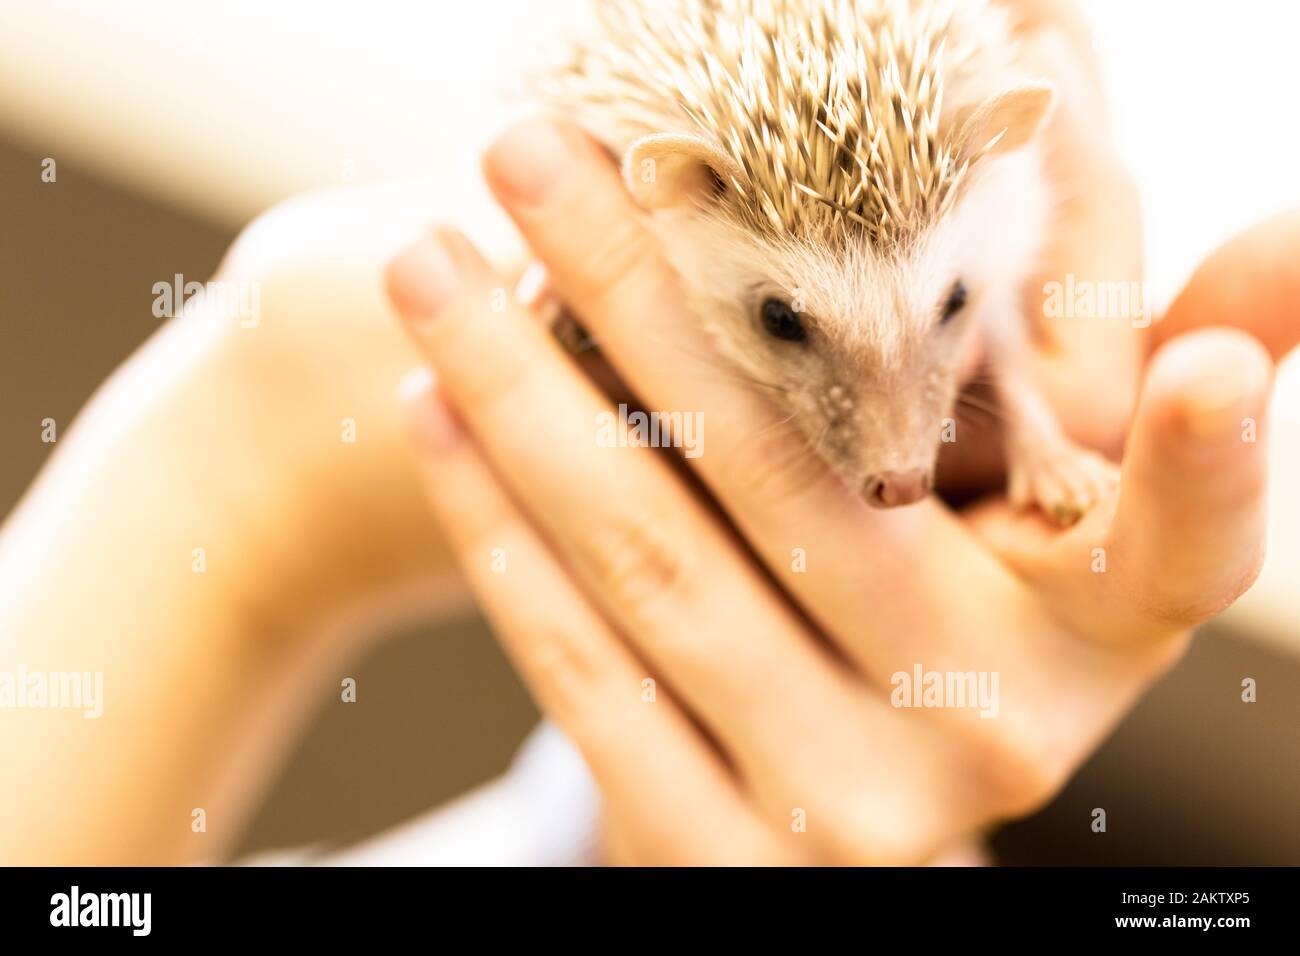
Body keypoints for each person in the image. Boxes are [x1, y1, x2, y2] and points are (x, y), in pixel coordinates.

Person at [0, 4, 1294, 864]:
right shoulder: (647, 169)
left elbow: (998, 323)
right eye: (791, 325)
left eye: (942, 309)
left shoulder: (992, 194)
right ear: (664, 192)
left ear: (1002, 156)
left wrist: (272, 429)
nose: (898, 454)